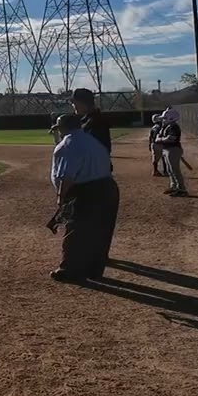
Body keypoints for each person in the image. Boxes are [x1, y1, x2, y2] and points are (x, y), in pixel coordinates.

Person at [48, 114, 119, 282]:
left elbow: (67, 177)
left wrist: (61, 197)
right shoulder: (91, 141)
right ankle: (94, 269)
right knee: (101, 231)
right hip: (108, 187)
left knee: (75, 231)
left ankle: (69, 270)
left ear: (63, 128)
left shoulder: (67, 145)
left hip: (86, 192)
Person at [70, 87, 111, 153]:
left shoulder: (94, 122)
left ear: (83, 104)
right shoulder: (91, 119)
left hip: (95, 161)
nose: (73, 105)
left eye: (75, 103)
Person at [156, 116, 188, 197]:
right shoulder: (166, 127)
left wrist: (161, 139)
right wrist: (163, 138)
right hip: (167, 149)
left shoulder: (174, 127)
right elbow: (157, 137)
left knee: (175, 170)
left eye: (165, 118)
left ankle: (182, 189)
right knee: (169, 170)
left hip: (173, 149)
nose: (163, 120)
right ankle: (174, 186)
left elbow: (171, 139)